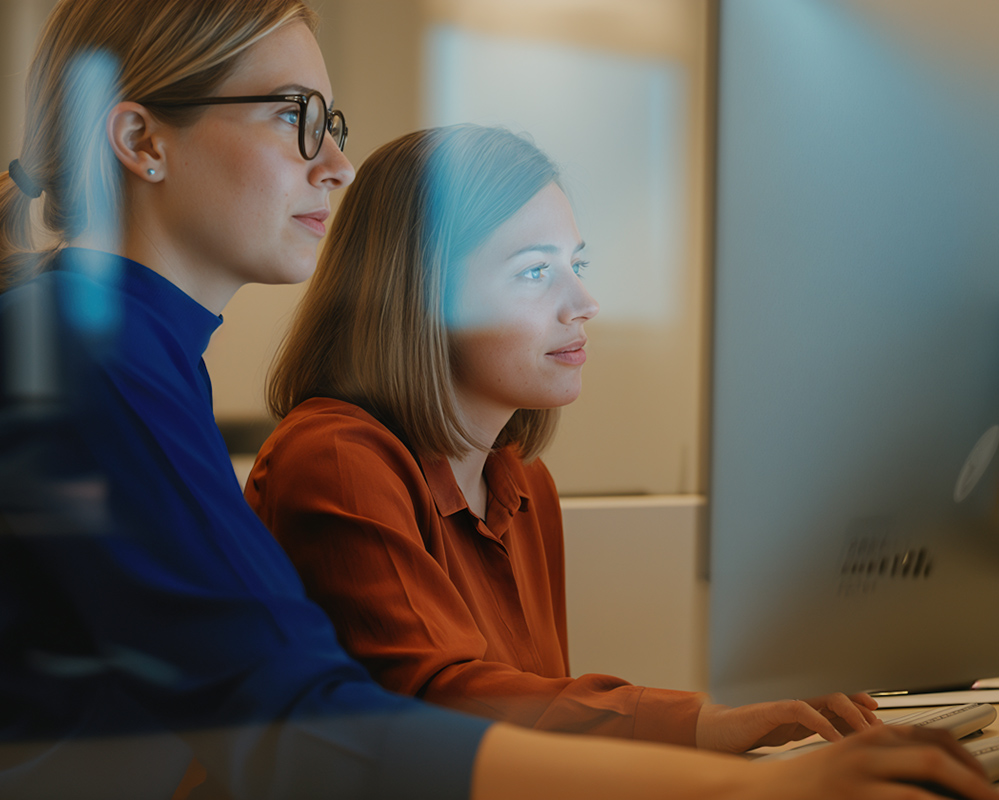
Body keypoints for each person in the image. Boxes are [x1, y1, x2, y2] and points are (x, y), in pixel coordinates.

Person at [0, 1, 994, 799]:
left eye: (333, 126)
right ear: (141, 138)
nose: (336, 163)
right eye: (294, 115)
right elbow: (305, 725)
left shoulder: (123, 347)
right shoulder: (99, 355)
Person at [245, 123, 876, 752]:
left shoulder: (520, 483)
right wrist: (706, 721)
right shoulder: (336, 459)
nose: (584, 301)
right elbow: (436, 702)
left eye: (577, 264)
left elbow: (534, 736)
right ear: (422, 296)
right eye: (534, 272)